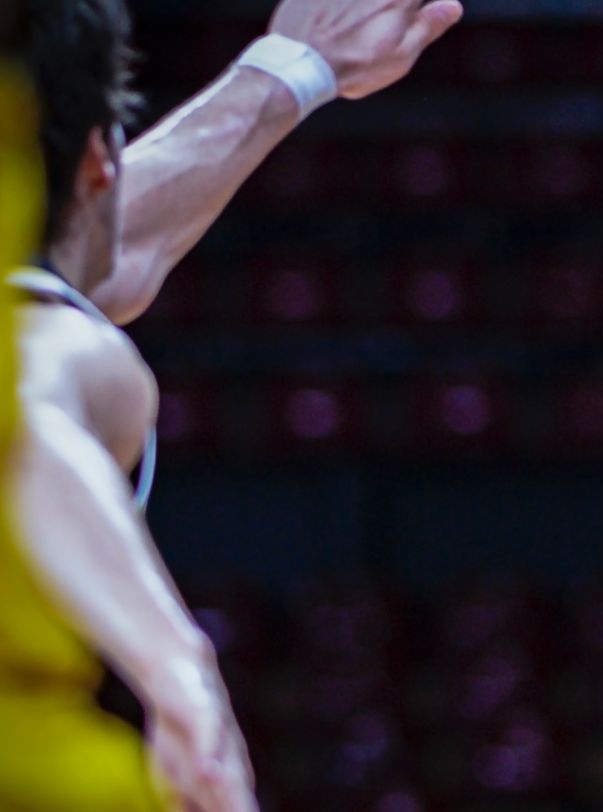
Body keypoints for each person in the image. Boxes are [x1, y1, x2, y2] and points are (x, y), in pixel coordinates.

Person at [0, 0, 460, 809]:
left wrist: (293, 70)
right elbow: (29, 412)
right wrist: (173, 662)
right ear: (98, 160)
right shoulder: (57, 349)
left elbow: (102, 247)